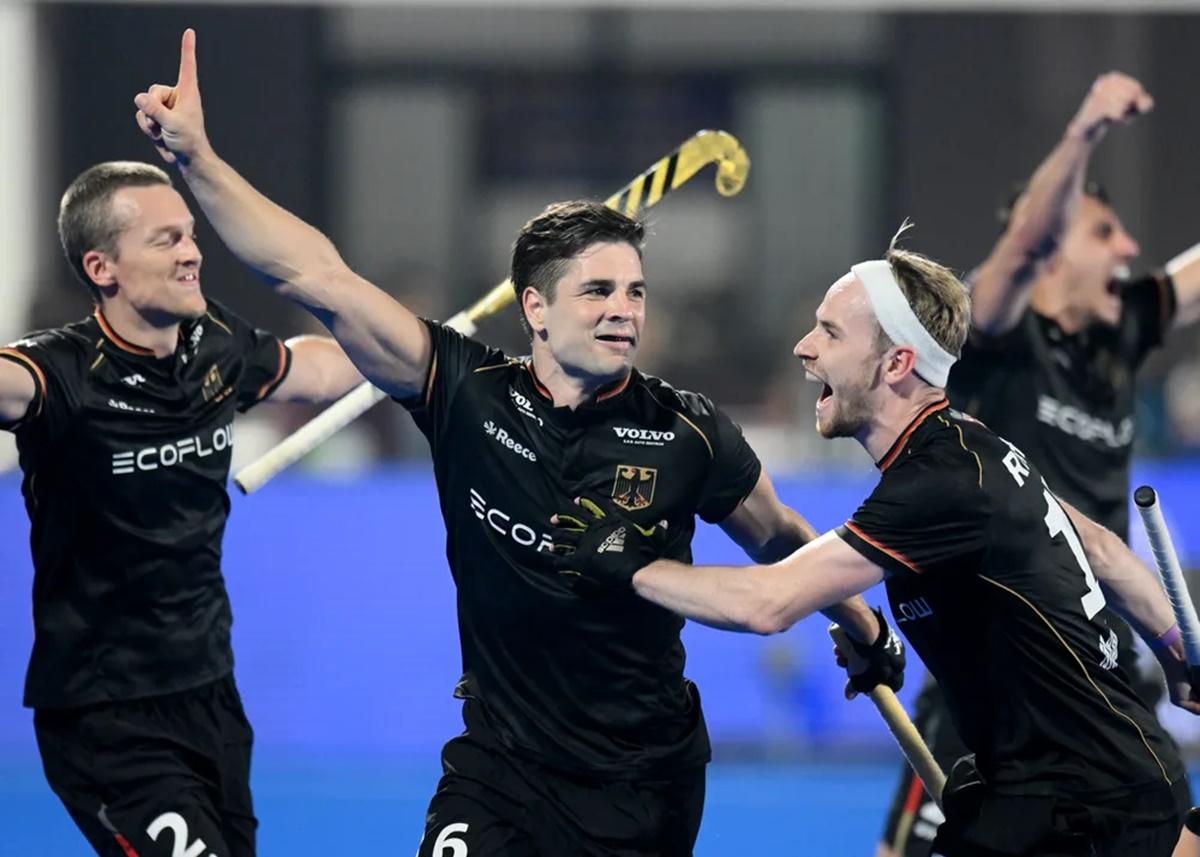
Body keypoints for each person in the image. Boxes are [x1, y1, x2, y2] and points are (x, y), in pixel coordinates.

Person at [130, 29, 904, 856]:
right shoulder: (463, 390)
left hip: (644, 780)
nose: (625, 311)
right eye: (598, 290)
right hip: (500, 767)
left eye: (636, 291)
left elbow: (781, 536)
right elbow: (314, 275)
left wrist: (865, 630)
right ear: (534, 308)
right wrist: (198, 160)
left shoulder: (687, 431)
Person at [551, 238, 1199, 856]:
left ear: (896, 363)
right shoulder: (973, 446)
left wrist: (625, 563)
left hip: (1087, 813)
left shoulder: (939, 483)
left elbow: (769, 604)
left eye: (831, 332)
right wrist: (1179, 654)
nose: (804, 348)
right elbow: (1106, 550)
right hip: (1084, 787)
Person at [0, 158, 363, 855]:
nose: (193, 251)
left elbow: (314, 366)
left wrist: (424, 351)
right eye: (165, 239)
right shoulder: (60, 374)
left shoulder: (217, 346)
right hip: (104, 713)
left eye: (190, 234)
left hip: (209, 693)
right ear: (103, 267)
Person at [883, 71, 1200, 857]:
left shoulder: (1117, 331)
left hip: (1100, 668)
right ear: (1056, 249)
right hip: (995, 670)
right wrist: (1086, 127)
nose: (1129, 248)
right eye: (1105, 232)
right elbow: (1023, 242)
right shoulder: (995, 339)